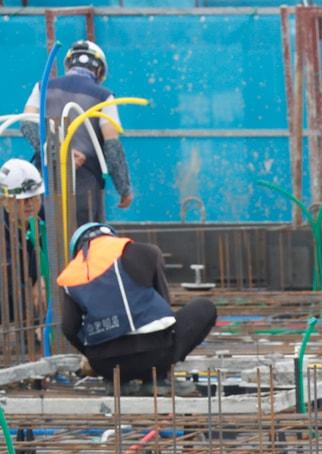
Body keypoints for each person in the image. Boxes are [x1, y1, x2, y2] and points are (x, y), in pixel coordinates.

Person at [57, 222, 215, 394]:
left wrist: (92, 353)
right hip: (155, 355)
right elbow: (165, 311)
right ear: (111, 236)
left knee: (110, 350)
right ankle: (157, 379)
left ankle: (117, 382)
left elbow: (69, 328)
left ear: (78, 250)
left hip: (107, 365)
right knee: (204, 307)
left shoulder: (70, 274)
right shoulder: (140, 251)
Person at [21, 40, 134, 227]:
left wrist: (56, 152)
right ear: (99, 71)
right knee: (84, 243)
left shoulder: (42, 87)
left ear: (68, 64)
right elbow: (112, 146)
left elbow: (27, 124)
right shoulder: (104, 96)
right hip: (84, 186)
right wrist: (124, 188)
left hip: (46, 180)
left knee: (45, 239)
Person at [1, 158, 46, 334]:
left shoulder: (46, 217)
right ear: (5, 200)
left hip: (34, 303)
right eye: (23, 200)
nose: (30, 205)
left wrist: (41, 278)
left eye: (35, 198)